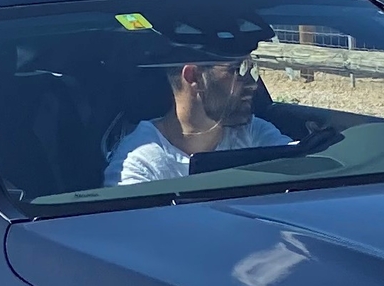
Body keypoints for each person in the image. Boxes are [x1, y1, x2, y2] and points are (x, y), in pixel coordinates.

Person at [106, 30, 293, 185]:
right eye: (238, 70)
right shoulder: (142, 163)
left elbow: (300, 164)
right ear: (193, 77)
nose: (253, 84)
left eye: (252, 69)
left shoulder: (252, 133)